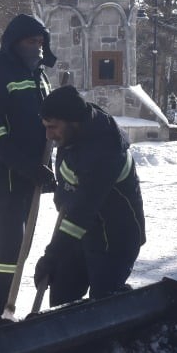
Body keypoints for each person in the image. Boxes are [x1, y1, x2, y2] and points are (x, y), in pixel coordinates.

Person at [0, 13, 57, 315]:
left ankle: (6, 307)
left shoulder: (37, 75)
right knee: (8, 244)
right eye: (32, 42)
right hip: (1, 176)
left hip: (30, 174)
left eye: (41, 42)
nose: (38, 48)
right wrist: (27, 167)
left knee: (19, 243)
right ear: (15, 43)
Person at [33, 85, 146, 305]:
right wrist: (55, 187)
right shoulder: (76, 131)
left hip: (114, 239)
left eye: (53, 127)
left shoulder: (105, 149)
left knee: (102, 306)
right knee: (61, 298)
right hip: (83, 233)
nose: (48, 135)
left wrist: (52, 255)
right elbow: (72, 187)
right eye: (45, 127)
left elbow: (81, 211)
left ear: (73, 121)